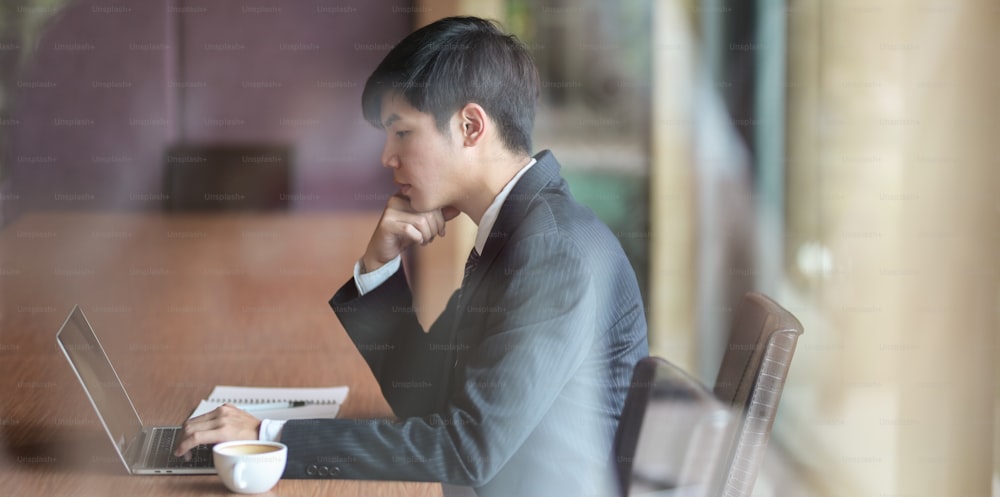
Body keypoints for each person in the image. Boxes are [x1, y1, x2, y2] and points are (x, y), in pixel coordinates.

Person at [175, 16, 648, 497]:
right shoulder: (515, 231)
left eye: (401, 132)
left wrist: (267, 439)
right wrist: (380, 267)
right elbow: (424, 398)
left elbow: (465, 450)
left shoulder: (550, 250)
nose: (386, 156)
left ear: (469, 126)